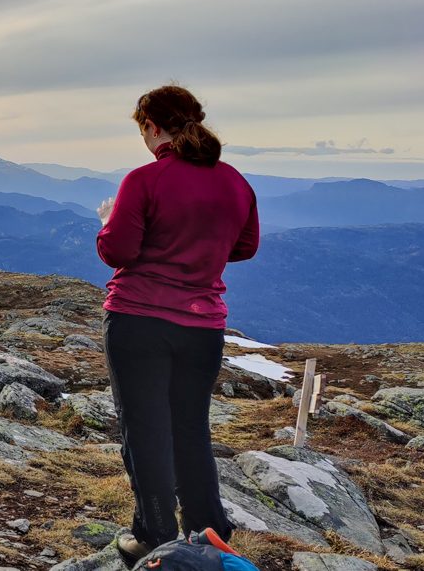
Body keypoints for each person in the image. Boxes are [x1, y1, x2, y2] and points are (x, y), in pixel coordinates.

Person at [95, 85, 260, 566]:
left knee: (145, 431)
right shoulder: (233, 181)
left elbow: (119, 251)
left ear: (150, 126)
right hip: (202, 325)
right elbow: (245, 245)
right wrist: (198, 245)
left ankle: (155, 539)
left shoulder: (145, 179)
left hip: (139, 320)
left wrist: (109, 222)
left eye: (142, 130)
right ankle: (209, 532)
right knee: (190, 429)